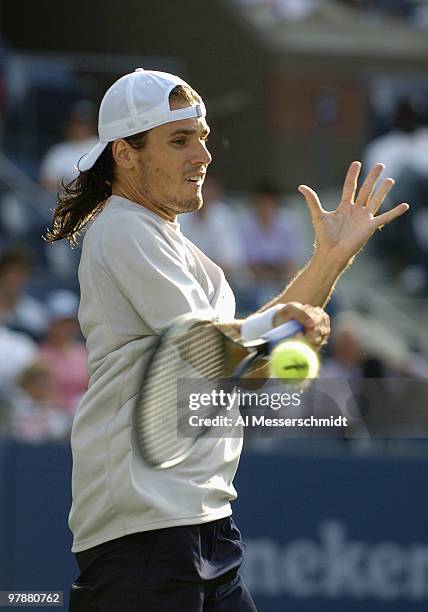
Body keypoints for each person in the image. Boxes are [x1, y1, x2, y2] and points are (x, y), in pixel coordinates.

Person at [45, 68, 408, 612]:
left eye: (203, 138)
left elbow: (242, 364)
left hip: (200, 524)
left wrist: (328, 260)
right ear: (125, 153)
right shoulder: (120, 226)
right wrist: (283, 332)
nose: (203, 155)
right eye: (180, 139)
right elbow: (210, 352)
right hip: (144, 537)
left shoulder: (176, 248)